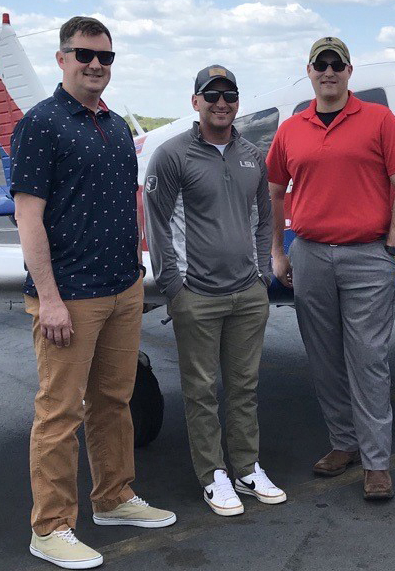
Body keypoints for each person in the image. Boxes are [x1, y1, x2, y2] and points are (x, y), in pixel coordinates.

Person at [10, 16, 175, 570]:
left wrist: (136, 268)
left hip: (122, 287)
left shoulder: (115, 125)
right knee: (59, 413)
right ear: (62, 59)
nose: (96, 64)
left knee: (114, 401)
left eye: (105, 56)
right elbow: (28, 218)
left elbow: (128, 199)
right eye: (84, 54)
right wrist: (50, 298)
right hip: (71, 295)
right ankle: (51, 527)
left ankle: (115, 497)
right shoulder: (42, 124)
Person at [266, 37, 395, 500]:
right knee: (324, 356)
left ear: (349, 71)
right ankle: (343, 443)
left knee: (368, 359)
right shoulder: (292, 128)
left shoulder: (378, 119)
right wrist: (278, 251)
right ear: (309, 71)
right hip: (310, 254)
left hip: (367, 255)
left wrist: (391, 250)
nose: (328, 72)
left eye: (336, 64)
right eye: (321, 64)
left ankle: (376, 463)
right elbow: (275, 192)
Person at [143, 65, 285, 517]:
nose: (221, 102)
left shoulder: (251, 155)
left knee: (244, 387)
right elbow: (157, 223)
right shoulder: (171, 155)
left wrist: (262, 276)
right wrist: (174, 287)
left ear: (237, 102)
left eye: (229, 95)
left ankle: (246, 467)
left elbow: (264, 219)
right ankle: (212, 475)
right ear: (196, 101)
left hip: (247, 293)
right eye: (211, 94)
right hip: (196, 295)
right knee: (200, 390)